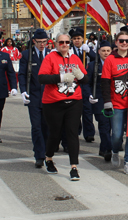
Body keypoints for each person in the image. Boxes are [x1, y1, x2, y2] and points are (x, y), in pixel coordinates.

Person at [38, 33, 88, 181]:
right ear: (55, 43)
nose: (64, 44)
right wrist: (60, 77)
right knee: (55, 133)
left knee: (72, 133)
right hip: (54, 102)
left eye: (67, 42)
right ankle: (48, 158)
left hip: (74, 101)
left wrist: (81, 76)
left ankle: (74, 167)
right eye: (61, 42)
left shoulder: (75, 58)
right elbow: (42, 78)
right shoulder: (50, 58)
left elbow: (85, 80)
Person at [101, 30, 128, 175]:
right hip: (116, 103)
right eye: (121, 41)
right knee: (116, 134)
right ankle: (115, 151)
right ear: (116, 42)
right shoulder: (110, 59)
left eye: (127, 41)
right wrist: (107, 102)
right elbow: (104, 82)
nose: (124, 43)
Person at [18, 29, 51, 168]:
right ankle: (39, 155)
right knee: (36, 127)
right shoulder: (27, 55)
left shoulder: (52, 54)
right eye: (39, 42)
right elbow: (22, 74)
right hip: (34, 96)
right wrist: (24, 91)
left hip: (49, 97)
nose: (42, 45)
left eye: (45, 42)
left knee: (47, 127)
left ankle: (47, 152)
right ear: (34, 42)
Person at [69, 27, 96, 143]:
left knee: (87, 109)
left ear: (82, 39)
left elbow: (97, 60)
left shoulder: (87, 49)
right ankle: (77, 129)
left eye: (79, 38)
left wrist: (89, 51)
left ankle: (89, 133)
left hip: (86, 81)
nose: (77, 41)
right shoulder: (70, 51)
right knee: (74, 109)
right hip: (74, 82)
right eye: (74, 38)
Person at [87, 40, 113, 162]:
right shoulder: (93, 65)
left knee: (113, 126)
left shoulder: (115, 63)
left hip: (113, 98)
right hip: (99, 98)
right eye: (103, 51)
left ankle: (104, 148)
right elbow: (87, 83)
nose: (106, 53)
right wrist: (89, 95)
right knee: (104, 125)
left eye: (108, 51)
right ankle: (107, 149)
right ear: (99, 52)